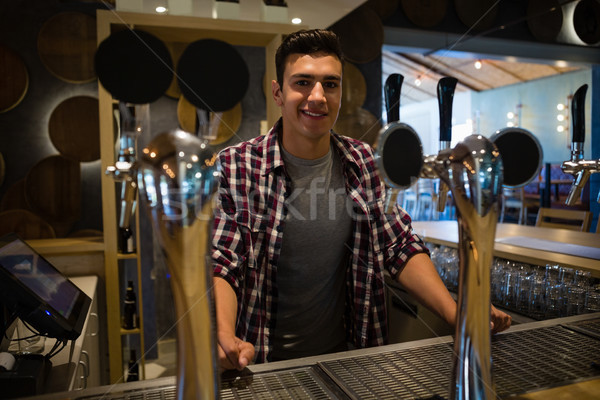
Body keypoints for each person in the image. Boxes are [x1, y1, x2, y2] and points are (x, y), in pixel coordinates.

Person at [212, 29, 511, 371]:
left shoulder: (364, 161)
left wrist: (455, 313)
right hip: (260, 362)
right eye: (303, 83)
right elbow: (224, 260)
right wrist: (224, 335)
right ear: (279, 93)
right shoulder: (239, 164)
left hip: (346, 359)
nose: (318, 97)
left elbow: (399, 245)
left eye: (331, 84)